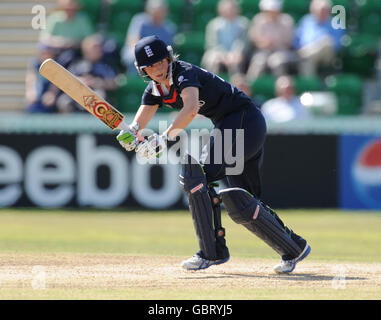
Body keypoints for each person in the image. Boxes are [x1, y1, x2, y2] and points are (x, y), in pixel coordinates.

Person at [116, 35, 311, 274]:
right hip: (237, 124)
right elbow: (141, 119)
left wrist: (163, 139)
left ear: (168, 58)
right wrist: (133, 134)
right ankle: (294, 247)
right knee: (243, 202)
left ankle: (211, 253)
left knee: (195, 177)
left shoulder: (183, 73)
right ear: (142, 70)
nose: (157, 69)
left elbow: (190, 109)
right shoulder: (155, 88)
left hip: (242, 120)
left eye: (160, 62)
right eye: (150, 66)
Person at [55, 34, 118, 113]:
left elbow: (114, 83)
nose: (98, 50)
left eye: (99, 47)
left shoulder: (105, 66)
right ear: (86, 49)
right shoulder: (77, 64)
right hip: (78, 95)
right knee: (64, 101)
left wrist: (97, 82)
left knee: (100, 97)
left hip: (96, 94)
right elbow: (65, 81)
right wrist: (80, 81)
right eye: (95, 47)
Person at [245, 0, 297, 82]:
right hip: (264, 51)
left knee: (277, 62)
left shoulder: (287, 21)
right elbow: (255, 40)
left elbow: (289, 42)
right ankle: (249, 85)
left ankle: (281, 87)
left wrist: (275, 43)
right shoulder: (258, 20)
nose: (272, 13)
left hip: (282, 51)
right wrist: (265, 43)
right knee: (258, 61)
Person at [121, 0, 176, 74]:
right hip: (140, 52)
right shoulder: (139, 21)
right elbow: (133, 41)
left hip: (158, 56)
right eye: (155, 11)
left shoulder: (170, 27)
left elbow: (167, 48)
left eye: (161, 11)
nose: (158, 15)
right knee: (133, 58)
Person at [294, 0, 345, 76]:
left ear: (329, 11)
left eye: (324, 10)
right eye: (319, 10)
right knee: (308, 60)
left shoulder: (335, 23)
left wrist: (318, 44)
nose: (321, 13)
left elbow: (337, 44)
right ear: (313, 11)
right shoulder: (306, 20)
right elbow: (297, 39)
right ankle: (309, 84)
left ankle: (305, 55)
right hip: (307, 52)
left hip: (327, 54)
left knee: (326, 42)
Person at [201, 0, 249, 76]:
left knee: (235, 61)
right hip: (217, 52)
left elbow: (243, 42)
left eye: (232, 9)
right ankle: (212, 84)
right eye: (226, 9)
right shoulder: (213, 24)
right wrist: (224, 55)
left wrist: (235, 53)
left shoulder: (243, 23)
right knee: (212, 60)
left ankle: (235, 85)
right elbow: (212, 43)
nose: (229, 11)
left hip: (236, 54)